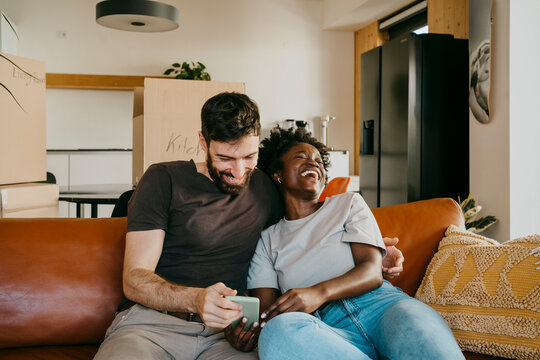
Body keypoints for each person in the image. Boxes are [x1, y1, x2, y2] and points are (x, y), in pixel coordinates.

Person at [94, 92, 403, 360]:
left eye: (249, 156)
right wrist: (196, 299)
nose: (238, 171)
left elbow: (311, 230)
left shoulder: (267, 189)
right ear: (203, 141)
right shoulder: (164, 179)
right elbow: (134, 279)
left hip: (227, 337)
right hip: (152, 326)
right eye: (225, 158)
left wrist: (376, 247)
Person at [226, 127, 463, 360]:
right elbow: (270, 315)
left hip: (382, 307)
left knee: (415, 322)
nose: (314, 163)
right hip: (326, 330)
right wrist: (249, 333)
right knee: (278, 333)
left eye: (319, 160)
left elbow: (372, 272)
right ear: (277, 173)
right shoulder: (267, 240)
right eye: (301, 157)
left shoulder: (348, 203)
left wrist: (318, 293)